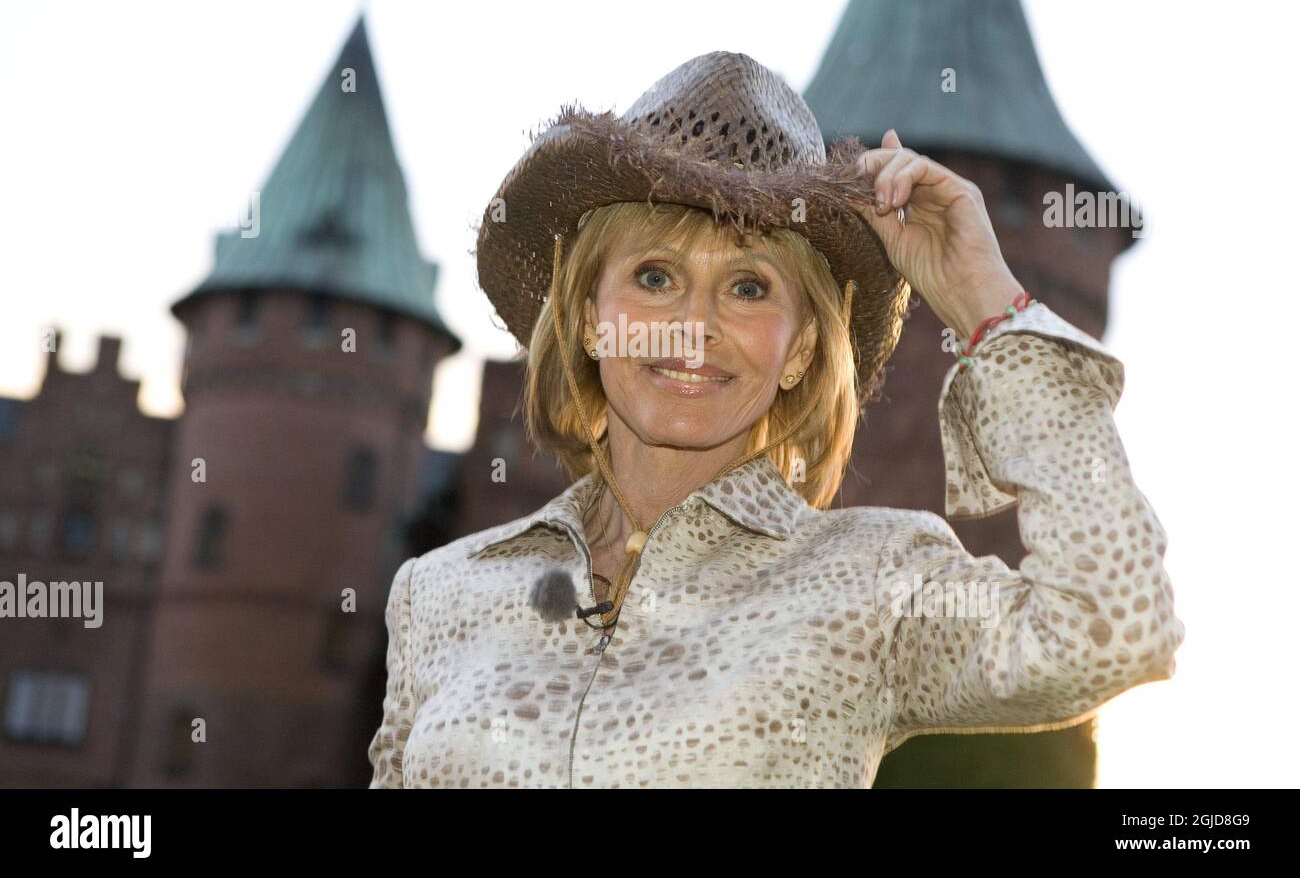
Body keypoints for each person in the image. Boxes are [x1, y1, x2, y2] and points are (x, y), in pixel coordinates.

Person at [367, 51, 1184, 788]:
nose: (697, 322)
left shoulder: (872, 582)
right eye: (655, 276)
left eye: (750, 287)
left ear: (798, 351)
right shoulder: (436, 593)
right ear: (586, 315)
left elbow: (1116, 626)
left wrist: (987, 302)